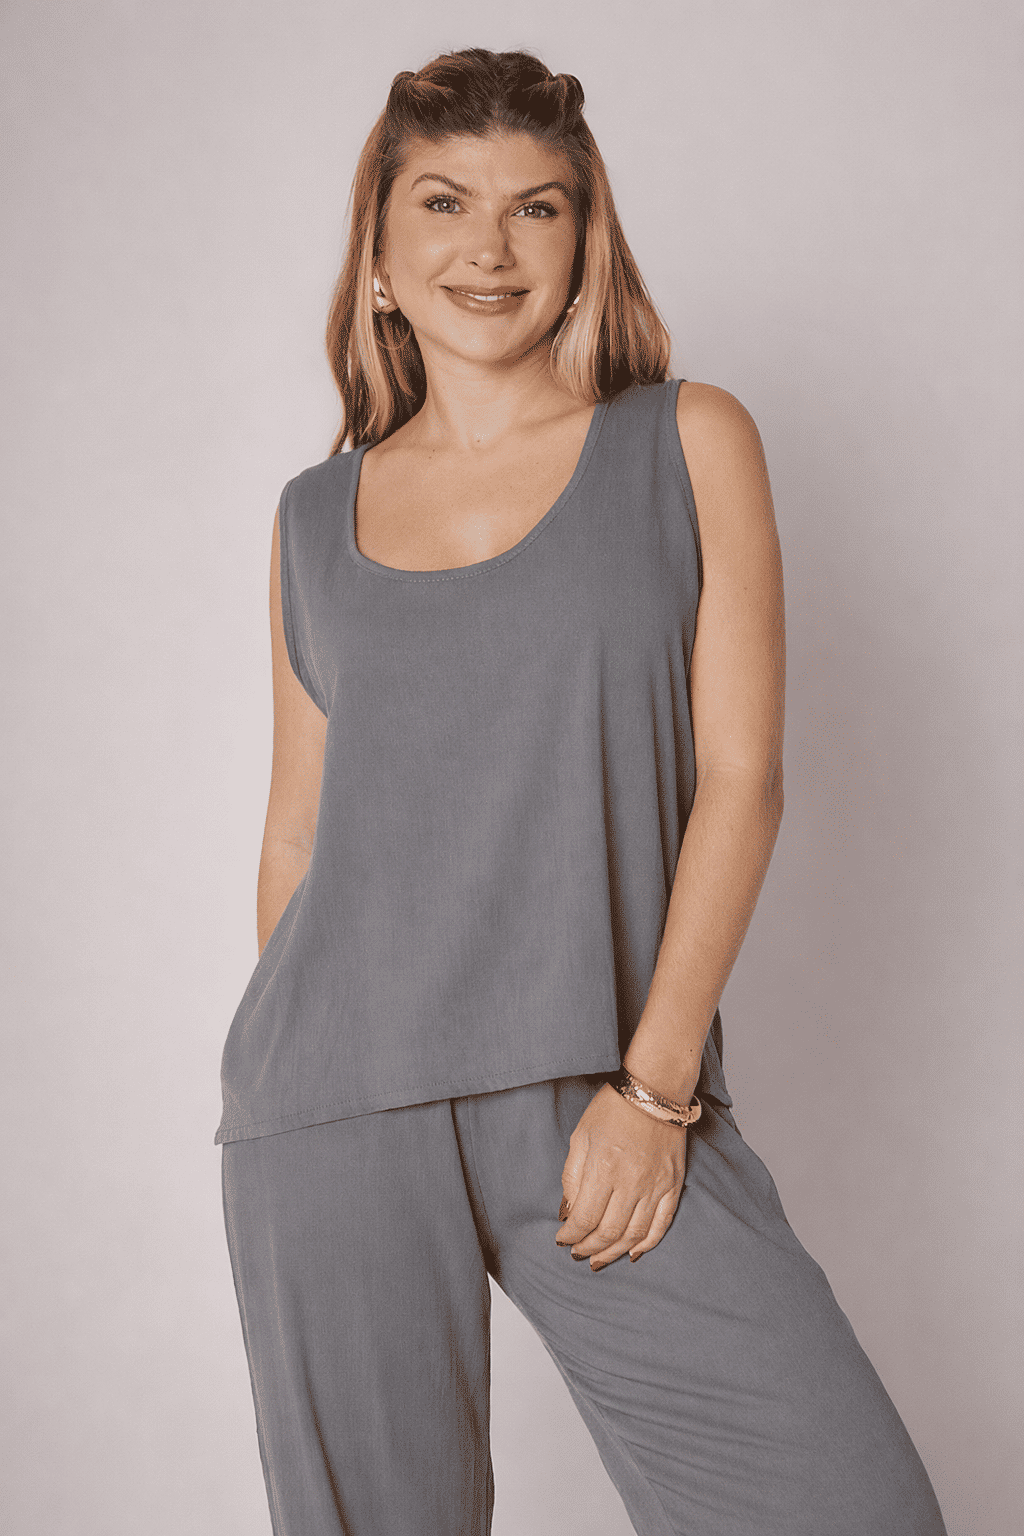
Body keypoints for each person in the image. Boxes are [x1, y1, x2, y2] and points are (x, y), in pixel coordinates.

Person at [215, 46, 948, 1536]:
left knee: (847, 1505)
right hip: (333, 1106)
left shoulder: (684, 441)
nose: (488, 247)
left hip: (600, 1087)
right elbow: (295, 833)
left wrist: (654, 1090)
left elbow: (741, 780)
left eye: (535, 207)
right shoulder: (312, 516)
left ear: (583, 239)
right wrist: (310, 1073)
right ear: (378, 252)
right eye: (444, 202)